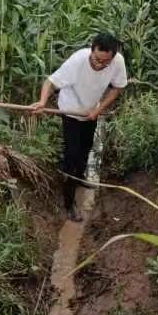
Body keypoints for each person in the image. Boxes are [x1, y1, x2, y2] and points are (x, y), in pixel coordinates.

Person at [31, 33, 128, 222]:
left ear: (113, 57)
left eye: (105, 62)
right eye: (97, 59)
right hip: (70, 110)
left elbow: (117, 88)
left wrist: (98, 110)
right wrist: (42, 102)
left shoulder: (117, 62)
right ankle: (69, 203)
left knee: (86, 148)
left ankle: (80, 177)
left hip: (90, 110)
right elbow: (50, 82)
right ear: (92, 50)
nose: (100, 65)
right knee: (72, 155)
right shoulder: (78, 61)